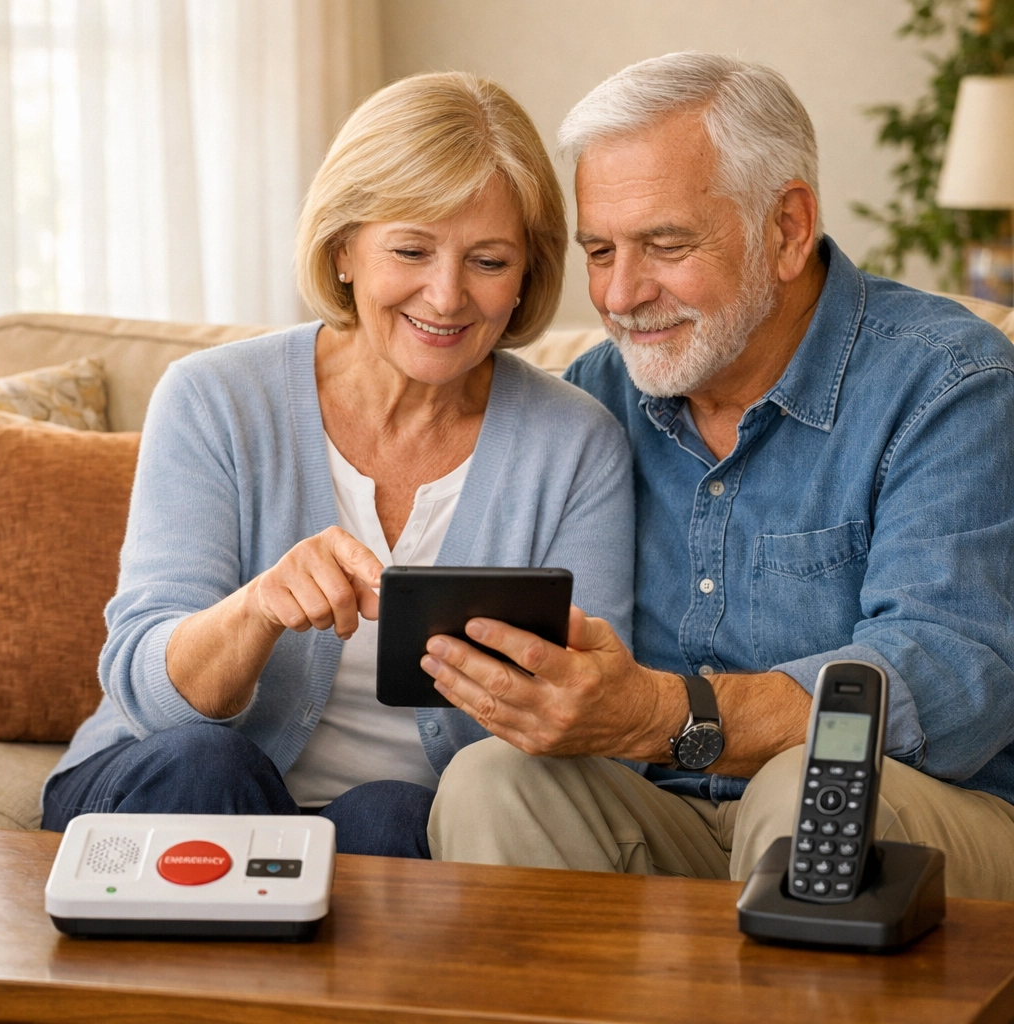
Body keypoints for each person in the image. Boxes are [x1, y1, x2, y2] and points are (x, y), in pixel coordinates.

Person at [421, 52, 1014, 899]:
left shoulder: (951, 385)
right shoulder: (589, 400)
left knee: (808, 784)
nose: (622, 293)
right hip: (668, 819)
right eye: (599, 249)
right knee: (493, 779)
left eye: (664, 244)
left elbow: (955, 675)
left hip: (927, 817)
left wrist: (666, 715)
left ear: (786, 229)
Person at [40, 72, 635, 857]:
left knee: (393, 816)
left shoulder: (575, 442)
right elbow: (150, 694)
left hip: (396, 827)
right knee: (210, 768)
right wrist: (257, 611)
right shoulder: (214, 398)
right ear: (345, 248)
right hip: (174, 774)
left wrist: (534, 684)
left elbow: (588, 724)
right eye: (411, 250)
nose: (447, 295)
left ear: (527, 274)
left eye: (488, 261)